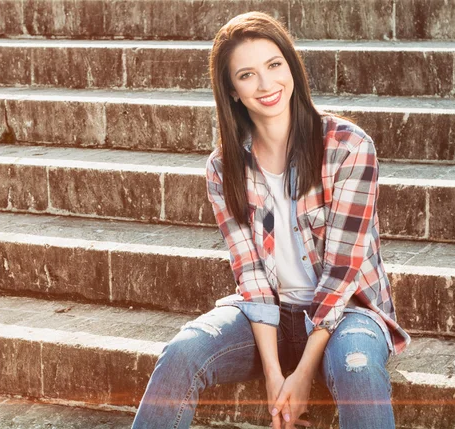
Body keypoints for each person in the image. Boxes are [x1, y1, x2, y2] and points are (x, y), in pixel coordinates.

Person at [131, 11, 411, 429]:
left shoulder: (348, 147)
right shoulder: (224, 168)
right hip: (270, 319)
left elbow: (342, 271)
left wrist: (300, 376)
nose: (266, 85)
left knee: (356, 367)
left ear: (291, 66)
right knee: (183, 351)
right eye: (247, 75)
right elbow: (252, 277)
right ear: (231, 91)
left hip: (349, 312)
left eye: (274, 65)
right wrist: (274, 373)